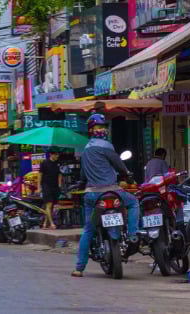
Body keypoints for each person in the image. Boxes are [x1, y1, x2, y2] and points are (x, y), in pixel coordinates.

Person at [72, 114, 139, 278]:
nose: (101, 130)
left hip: (92, 196)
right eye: (98, 127)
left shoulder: (85, 150)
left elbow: (83, 175)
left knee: (88, 230)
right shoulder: (106, 146)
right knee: (134, 203)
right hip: (112, 192)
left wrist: (81, 182)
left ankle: (79, 268)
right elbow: (119, 165)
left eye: (102, 127)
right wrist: (128, 175)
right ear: (91, 130)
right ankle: (132, 235)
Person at [39, 151, 62, 230]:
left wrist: (59, 185)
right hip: (46, 186)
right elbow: (40, 175)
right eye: (56, 154)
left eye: (58, 155)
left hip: (55, 187)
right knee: (49, 204)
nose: (57, 156)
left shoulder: (57, 163)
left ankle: (45, 223)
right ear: (51, 154)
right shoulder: (44, 163)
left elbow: (59, 174)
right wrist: (38, 187)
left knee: (51, 206)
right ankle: (52, 224)